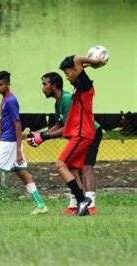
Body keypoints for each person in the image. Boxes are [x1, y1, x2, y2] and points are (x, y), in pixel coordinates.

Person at [28, 55, 106, 216]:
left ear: (75, 70)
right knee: (71, 167)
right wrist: (41, 135)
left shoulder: (84, 86)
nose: (67, 76)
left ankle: (85, 202)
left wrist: (93, 62)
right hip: (79, 133)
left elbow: (77, 59)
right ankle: (78, 204)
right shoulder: (77, 87)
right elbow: (60, 123)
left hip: (83, 133)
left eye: (68, 72)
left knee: (63, 165)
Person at [0, 71, 48, 215]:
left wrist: (19, 150)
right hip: (10, 142)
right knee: (22, 172)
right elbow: (2, 123)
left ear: (8, 84)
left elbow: (18, 125)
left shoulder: (11, 101)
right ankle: (41, 205)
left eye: (0, 85)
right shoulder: (4, 99)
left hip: (8, 142)